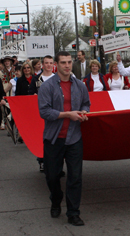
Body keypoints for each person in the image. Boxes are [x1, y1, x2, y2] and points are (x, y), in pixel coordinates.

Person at [38, 51, 90, 226]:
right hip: (54, 138)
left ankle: (73, 213)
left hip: (74, 138)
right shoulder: (47, 86)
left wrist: (83, 113)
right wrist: (67, 114)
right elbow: (44, 112)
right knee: (52, 176)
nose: (67, 65)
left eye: (69, 62)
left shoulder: (80, 85)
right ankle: (56, 199)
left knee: (75, 177)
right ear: (56, 65)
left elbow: (86, 104)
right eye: (63, 63)